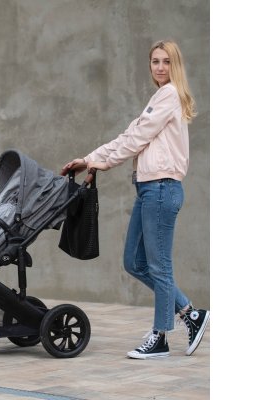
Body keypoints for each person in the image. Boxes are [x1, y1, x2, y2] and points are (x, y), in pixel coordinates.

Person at [61, 40, 209, 359]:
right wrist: (89, 160)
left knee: (159, 266)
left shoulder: (169, 95)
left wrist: (105, 164)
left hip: (161, 188)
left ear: (175, 65)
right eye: (155, 61)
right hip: (147, 190)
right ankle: (191, 314)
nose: (160, 67)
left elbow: (138, 139)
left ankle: (161, 337)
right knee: (134, 262)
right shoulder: (158, 98)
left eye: (166, 61)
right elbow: (127, 137)